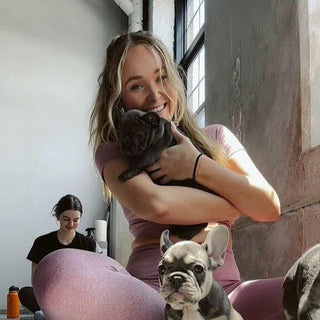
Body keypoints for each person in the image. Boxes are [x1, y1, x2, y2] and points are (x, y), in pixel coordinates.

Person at [33, 31, 284, 320]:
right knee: (57, 271)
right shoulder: (113, 150)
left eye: (162, 77)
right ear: (120, 100)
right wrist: (239, 202)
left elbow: (269, 206)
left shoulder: (217, 138)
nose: (155, 95)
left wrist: (196, 165)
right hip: (151, 296)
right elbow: (157, 204)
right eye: (137, 85)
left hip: (225, 295)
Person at [19, 194, 97, 320]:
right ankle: (52, 312)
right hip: (49, 295)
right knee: (25, 292)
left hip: (76, 295)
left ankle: (50, 314)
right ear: (58, 216)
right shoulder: (41, 242)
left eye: (76, 220)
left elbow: (92, 280)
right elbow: (35, 280)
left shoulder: (88, 244)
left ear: (80, 218)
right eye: (66, 219)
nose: (71, 224)